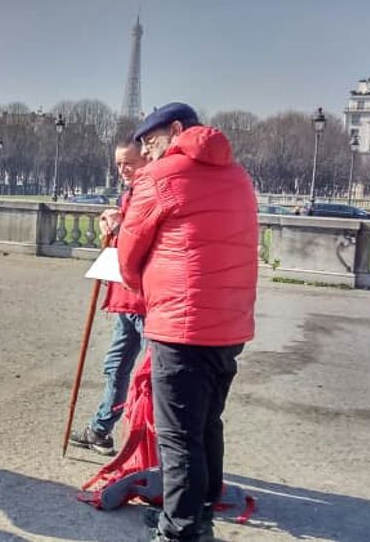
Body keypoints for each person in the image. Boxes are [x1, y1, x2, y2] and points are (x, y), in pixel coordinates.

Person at [119, 102, 258, 542]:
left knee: (178, 436)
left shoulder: (161, 177)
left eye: (150, 141)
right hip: (229, 325)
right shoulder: (239, 175)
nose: (146, 151)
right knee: (207, 424)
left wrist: (144, 284)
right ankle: (200, 511)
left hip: (181, 323)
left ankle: (179, 530)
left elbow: (128, 255)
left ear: (176, 130)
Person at [68, 136, 148, 455]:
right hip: (125, 298)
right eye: (118, 164)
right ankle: (102, 430)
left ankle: (149, 443)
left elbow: (142, 241)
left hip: (143, 300)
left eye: (129, 163)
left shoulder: (146, 192)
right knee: (115, 367)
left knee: (151, 375)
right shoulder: (131, 193)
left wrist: (119, 228)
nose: (122, 170)